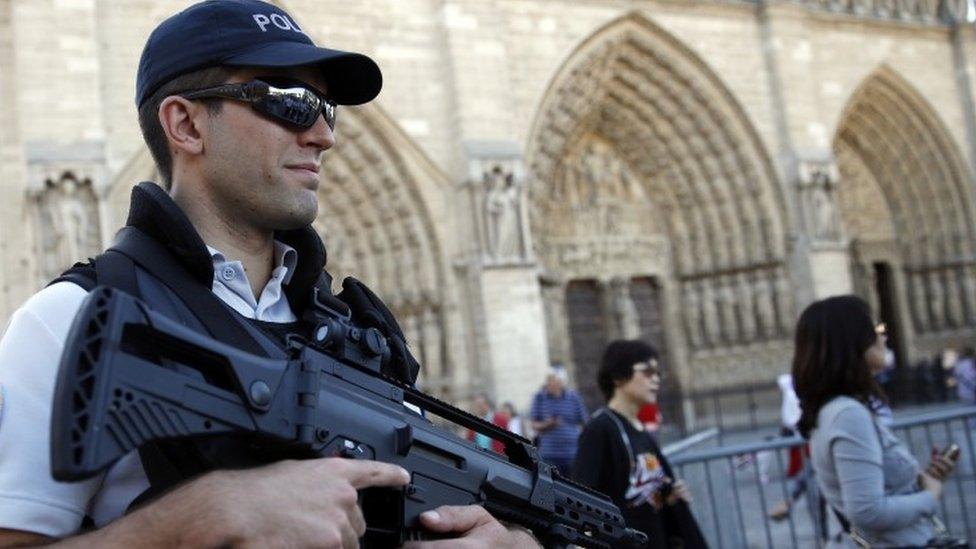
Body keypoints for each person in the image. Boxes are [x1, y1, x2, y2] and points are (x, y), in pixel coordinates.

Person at [0, 2, 537, 547]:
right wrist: (195, 518)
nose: (324, 135)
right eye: (294, 103)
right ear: (185, 125)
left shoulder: (360, 336)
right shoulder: (69, 321)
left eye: (328, 108)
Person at [793, 296, 960, 548]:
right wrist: (930, 496)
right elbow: (868, 512)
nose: (883, 337)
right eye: (875, 330)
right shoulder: (848, 414)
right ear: (851, 340)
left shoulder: (836, 410)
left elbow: (869, 493)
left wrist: (921, 480)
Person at [573, 340, 707, 549]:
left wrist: (668, 495)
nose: (656, 379)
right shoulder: (600, 429)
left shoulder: (640, 430)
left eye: (657, 373)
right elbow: (581, 498)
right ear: (618, 377)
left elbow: (643, 496)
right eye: (647, 372)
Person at [529, 366, 589, 476]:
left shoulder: (574, 397)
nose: (549, 383)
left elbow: (585, 422)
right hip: (549, 455)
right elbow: (533, 424)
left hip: (571, 454)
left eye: (552, 380)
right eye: (548, 380)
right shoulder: (539, 397)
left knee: (573, 487)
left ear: (561, 383)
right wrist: (548, 424)